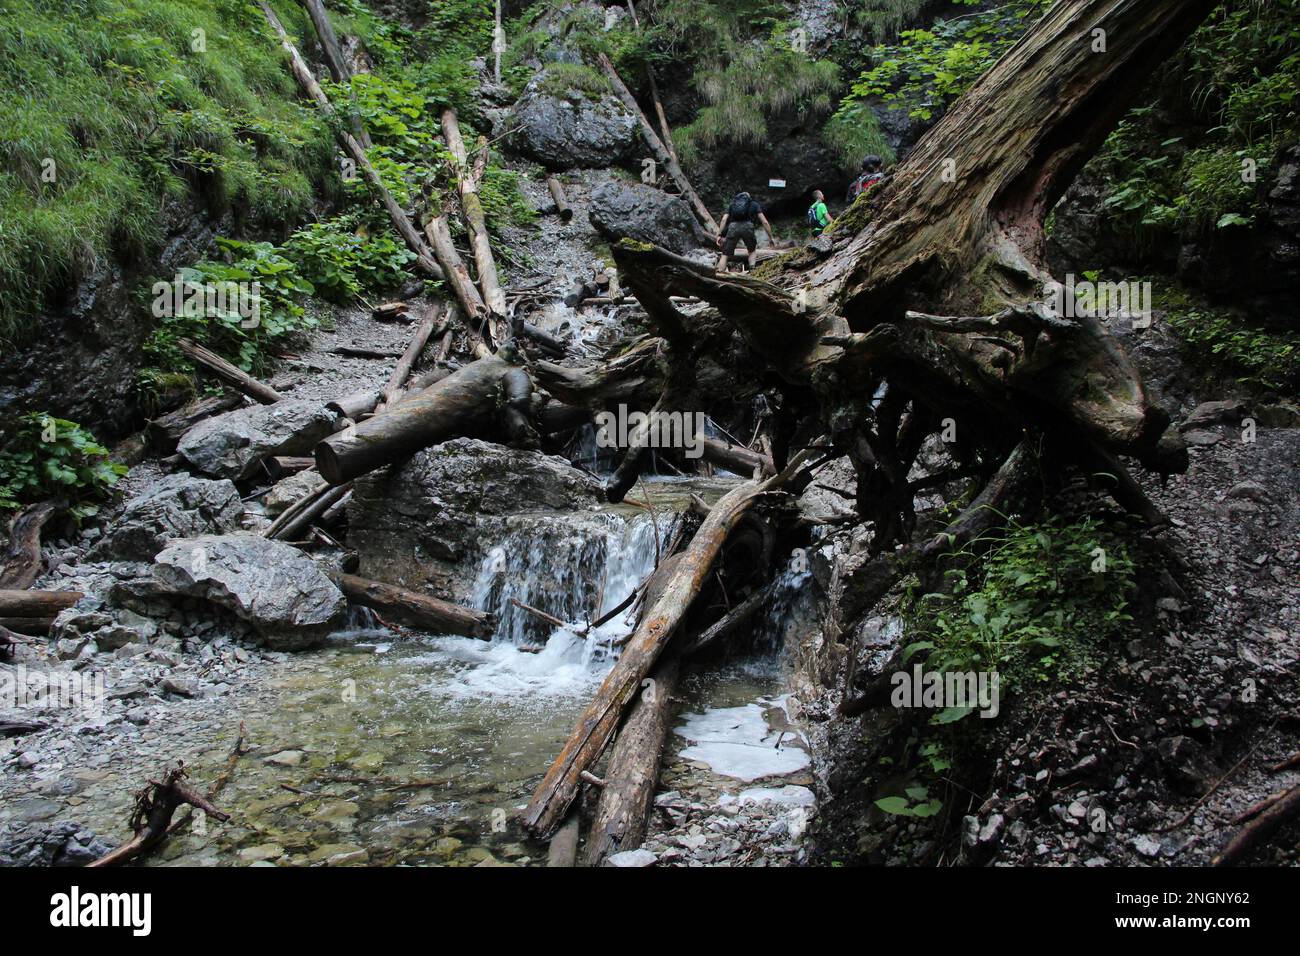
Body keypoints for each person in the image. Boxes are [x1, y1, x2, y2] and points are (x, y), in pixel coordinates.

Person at [715, 191, 776, 272]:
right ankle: (752, 272)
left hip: (733, 227)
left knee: (725, 254)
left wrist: (719, 234)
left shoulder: (733, 204)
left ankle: (719, 274)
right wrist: (771, 237)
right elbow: (764, 222)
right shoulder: (754, 204)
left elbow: (723, 220)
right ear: (748, 198)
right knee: (752, 251)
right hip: (748, 227)